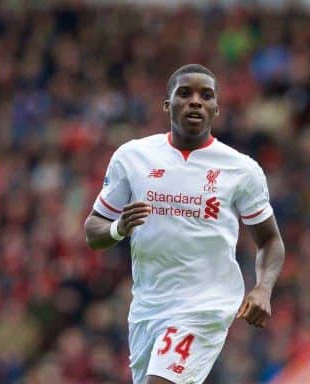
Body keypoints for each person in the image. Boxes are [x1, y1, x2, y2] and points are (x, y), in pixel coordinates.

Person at [84, 64, 285, 384]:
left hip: (204, 306)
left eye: (206, 96)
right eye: (185, 93)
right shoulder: (133, 157)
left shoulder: (241, 170)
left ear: (217, 108)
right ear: (167, 105)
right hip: (147, 308)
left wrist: (263, 287)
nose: (195, 101)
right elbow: (93, 231)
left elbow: (270, 240)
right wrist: (118, 228)